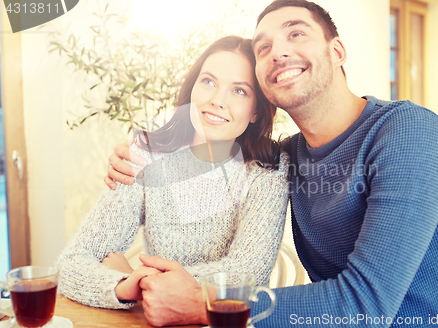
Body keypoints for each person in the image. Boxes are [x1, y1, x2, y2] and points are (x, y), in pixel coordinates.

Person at [106, 1, 438, 327]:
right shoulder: (286, 157)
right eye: (263, 47)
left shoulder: (409, 133)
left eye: (296, 34)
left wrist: (208, 304)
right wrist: (144, 153)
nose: (277, 52)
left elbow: (364, 307)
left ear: (337, 52)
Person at [57, 35, 290, 324]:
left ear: (256, 110)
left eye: (239, 91)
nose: (217, 100)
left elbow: (248, 276)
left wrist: (140, 278)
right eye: (209, 82)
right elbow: (73, 261)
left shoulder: (268, 170)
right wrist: (121, 286)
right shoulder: (145, 155)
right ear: (193, 89)